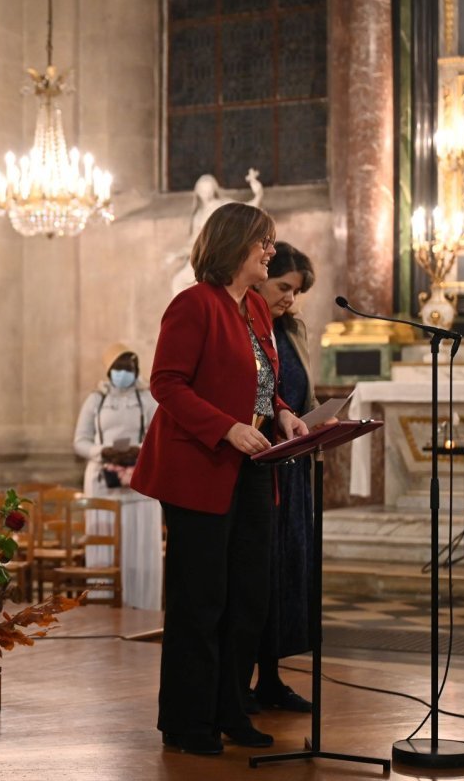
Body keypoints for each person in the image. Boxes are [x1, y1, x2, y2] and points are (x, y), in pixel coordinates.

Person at [131, 202, 308, 756]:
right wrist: (228, 428)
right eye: (264, 242)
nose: (271, 251)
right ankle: (188, 723)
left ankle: (232, 710)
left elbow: (262, 382)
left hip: (253, 469)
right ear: (235, 244)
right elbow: (167, 384)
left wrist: (281, 412)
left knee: (247, 601)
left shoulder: (255, 308)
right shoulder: (194, 304)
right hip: (201, 468)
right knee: (201, 602)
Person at [249, 242, 318, 714]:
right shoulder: (246, 327)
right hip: (259, 467)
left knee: (290, 574)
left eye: (297, 291)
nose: (291, 299)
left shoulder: (290, 333)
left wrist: (314, 421)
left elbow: (297, 396)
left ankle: (271, 678)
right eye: (284, 287)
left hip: (294, 475)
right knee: (260, 575)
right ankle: (244, 681)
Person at [72, 343, 162, 610]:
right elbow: (80, 441)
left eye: (130, 367)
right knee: (104, 546)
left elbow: (159, 437)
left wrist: (138, 450)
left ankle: (142, 605)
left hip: (139, 483)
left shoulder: (146, 398)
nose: (125, 372)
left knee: (140, 545)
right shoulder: (96, 400)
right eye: (119, 367)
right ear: (110, 370)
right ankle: (103, 604)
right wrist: (103, 451)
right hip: (102, 483)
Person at [169, 169, 263, 296]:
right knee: (179, 282)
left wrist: (258, 192)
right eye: (202, 190)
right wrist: (177, 255)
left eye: (208, 190)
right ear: (197, 192)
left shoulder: (222, 206)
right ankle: (189, 313)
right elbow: (194, 242)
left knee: (209, 286)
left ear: (214, 190)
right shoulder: (198, 214)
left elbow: (248, 209)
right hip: (201, 257)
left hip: (217, 255)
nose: (206, 193)